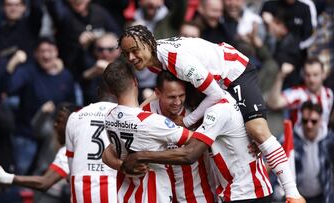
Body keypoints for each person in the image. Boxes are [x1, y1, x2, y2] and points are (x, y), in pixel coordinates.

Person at [118, 24, 304, 201]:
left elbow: (215, 93)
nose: (131, 57)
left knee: (257, 131)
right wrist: (136, 114)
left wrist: (188, 121)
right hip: (216, 82)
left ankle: (293, 194)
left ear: (149, 43)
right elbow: (163, 92)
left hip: (234, 72)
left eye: (135, 50)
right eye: (126, 54)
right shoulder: (154, 60)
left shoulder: (176, 60)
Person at [103, 60, 193, 203]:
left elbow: (106, 154)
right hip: (153, 195)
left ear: (110, 90)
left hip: (127, 194)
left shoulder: (109, 117)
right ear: (135, 81)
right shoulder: (153, 122)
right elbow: (195, 140)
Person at [5, 37, 75, 175]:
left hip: (53, 137)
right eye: (42, 51)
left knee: (47, 174)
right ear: (36, 54)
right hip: (26, 134)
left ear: (57, 52)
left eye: (50, 51)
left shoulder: (65, 75)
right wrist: (11, 65)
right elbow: (9, 88)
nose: (46, 55)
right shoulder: (29, 71)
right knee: (20, 172)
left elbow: (71, 104)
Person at [142, 71, 216, 202]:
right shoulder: (144, 115)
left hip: (197, 195)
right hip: (159, 195)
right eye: (171, 97)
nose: (177, 102)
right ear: (157, 93)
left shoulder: (197, 112)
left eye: (181, 95)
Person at [0, 103, 78, 203]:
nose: (55, 125)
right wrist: (42, 114)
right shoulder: (82, 143)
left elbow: (44, 182)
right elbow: (35, 128)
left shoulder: (69, 150)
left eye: (59, 121)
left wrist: (4, 176)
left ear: (70, 125)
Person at [65, 81, 118, 203]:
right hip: (113, 187)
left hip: (81, 189)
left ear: (98, 92)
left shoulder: (75, 116)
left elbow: (71, 163)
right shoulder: (124, 116)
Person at [273, 101, 334, 203]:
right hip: (297, 197)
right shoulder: (288, 139)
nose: (309, 125)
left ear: (321, 121)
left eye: (313, 121)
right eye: (305, 121)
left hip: (322, 196)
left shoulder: (329, 139)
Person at [267, 58, 333, 128]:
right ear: (303, 75)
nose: (311, 79)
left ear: (323, 75)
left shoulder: (329, 94)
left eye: (315, 74)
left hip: (324, 137)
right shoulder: (298, 93)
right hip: (299, 138)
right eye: (308, 75)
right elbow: (273, 103)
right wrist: (281, 76)